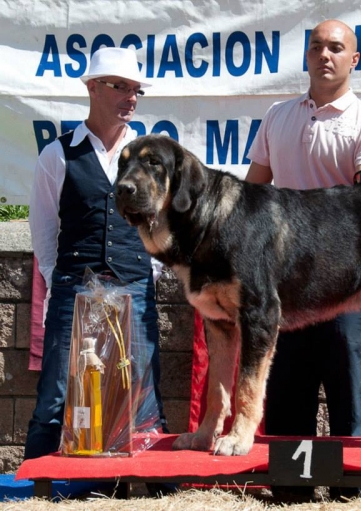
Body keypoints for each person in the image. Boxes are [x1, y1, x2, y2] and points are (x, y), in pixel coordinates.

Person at [246, 19, 361, 501]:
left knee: (352, 404)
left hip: (348, 288)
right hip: (286, 291)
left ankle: (356, 495)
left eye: (336, 48)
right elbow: (253, 195)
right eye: (316, 47)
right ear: (305, 56)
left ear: (354, 60)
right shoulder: (277, 116)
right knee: (287, 400)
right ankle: (291, 495)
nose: (324, 55)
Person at [25, 47, 168, 461]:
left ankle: (148, 492)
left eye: (136, 89)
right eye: (120, 86)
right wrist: (63, 284)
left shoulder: (150, 156)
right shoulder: (57, 154)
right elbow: (44, 231)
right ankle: (39, 488)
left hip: (134, 286)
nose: (131, 97)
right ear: (93, 88)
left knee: (141, 395)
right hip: (73, 288)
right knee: (55, 396)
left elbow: (162, 228)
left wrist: (145, 275)